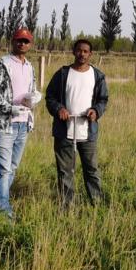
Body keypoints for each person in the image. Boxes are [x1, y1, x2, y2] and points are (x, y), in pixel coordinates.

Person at [0, 28, 42, 219]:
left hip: (23, 123)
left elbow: (30, 90)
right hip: (5, 123)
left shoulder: (30, 67)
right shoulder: (3, 63)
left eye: (25, 41)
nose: (22, 44)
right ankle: (3, 212)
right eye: (19, 40)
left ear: (30, 44)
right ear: (12, 41)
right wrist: (9, 108)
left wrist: (34, 97)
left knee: (13, 167)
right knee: (4, 167)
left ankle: (0, 203)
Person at [45, 38, 109, 207]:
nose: (82, 54)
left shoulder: (97, 76)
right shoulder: (63, 74)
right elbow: (50, 96)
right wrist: (59, 109)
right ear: (74, 52)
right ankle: (67, 207)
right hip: (64, 132)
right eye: (79, 50)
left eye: (85, 51)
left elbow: (103, 100)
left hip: (88, 133)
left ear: (90, 54)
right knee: (65, 172)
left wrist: (96, 111)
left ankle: (97, 205)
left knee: (91, 170)